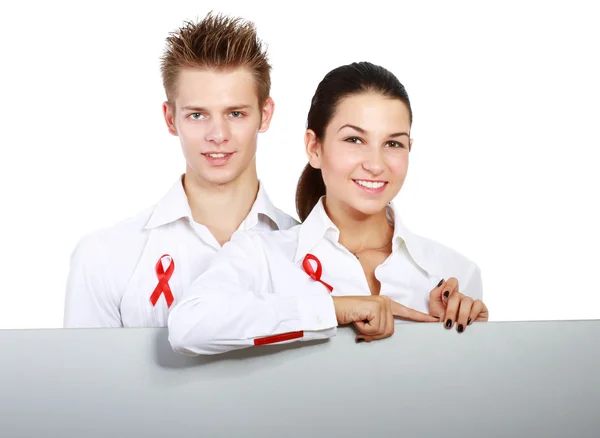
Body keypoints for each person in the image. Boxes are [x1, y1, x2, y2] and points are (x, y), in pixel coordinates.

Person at [167, 61, 489, 356]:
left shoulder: (455, 274)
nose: (375, 165)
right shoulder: (263, 255)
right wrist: (333, 310)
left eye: (393, 143)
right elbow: (189, 326)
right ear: (314, 148)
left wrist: (460, 336)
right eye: (354, 140)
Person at [63, 12, 297, 328]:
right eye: (197, 115)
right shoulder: (105, 257)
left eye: (236, 113)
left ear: (265, 114)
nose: (218, 134)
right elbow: (84, 376)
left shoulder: (308, 251)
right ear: (170, 118)